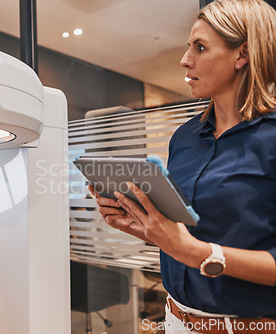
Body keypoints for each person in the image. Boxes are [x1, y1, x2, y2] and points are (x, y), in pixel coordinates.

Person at [90, 0, 276, 333]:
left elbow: (194, 248)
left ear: (242, 54)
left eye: (200, 47)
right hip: (176, 319)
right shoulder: (186, 137)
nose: (184, 60)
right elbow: (186, 233)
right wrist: (142, 225)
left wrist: (197, 253)